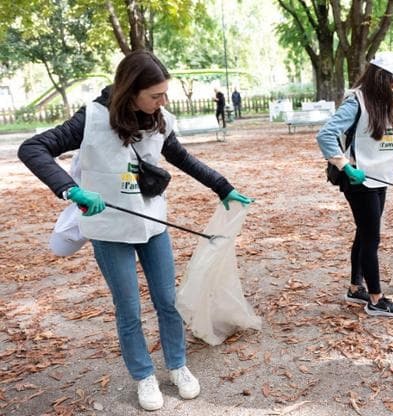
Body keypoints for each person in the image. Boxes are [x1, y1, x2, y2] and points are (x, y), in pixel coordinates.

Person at [17, 51, 253, 411]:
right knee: (128, 308)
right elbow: (32, 148)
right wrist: (71, 189)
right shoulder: (92, 118)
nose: (163, 102)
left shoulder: (160, 120)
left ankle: (177, 366)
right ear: (131, 91)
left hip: (152, 223)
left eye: (164, 94)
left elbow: (183, 158)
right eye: (155, 95)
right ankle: (143, 375)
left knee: (167, 302)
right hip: (110, 229)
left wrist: (223, 187)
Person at [316, 51, 393, 317]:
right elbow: (325, 135)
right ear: (381, 77)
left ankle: (355, 288)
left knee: (364, 232)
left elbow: (386, 140)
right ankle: (375, 299)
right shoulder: (355, 102)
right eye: (392, 81)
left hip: (378, 178)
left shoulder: (382, 102)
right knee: (371, 237)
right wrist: (345, 166)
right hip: (358, 179)